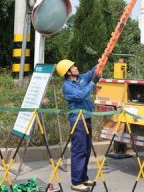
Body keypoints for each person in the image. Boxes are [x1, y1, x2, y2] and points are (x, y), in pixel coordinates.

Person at [56, 59, 101, 192]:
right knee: (79, 150)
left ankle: (83, 178)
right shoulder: (67, 86)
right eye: (73, 67)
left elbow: (92, 72)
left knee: (86, 150)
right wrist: (93, 83)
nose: (76, 67)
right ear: (68, 72)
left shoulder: (81, 78)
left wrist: (101, 61)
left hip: (86, 117)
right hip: (78, 121)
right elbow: (81, 95)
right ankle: (76, 182)